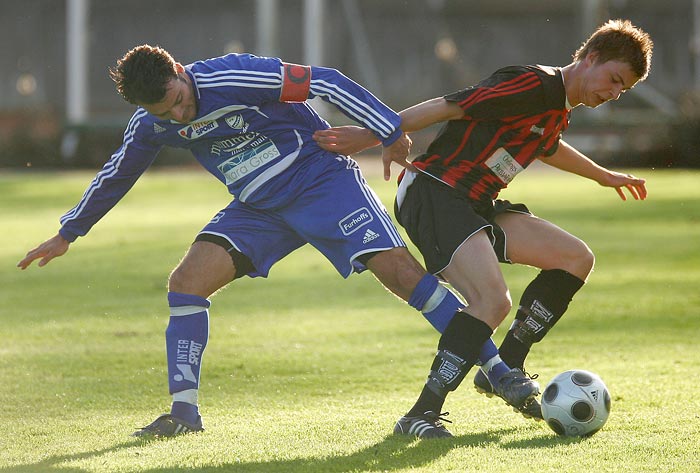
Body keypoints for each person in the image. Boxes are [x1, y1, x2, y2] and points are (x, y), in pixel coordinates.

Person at [18, 45, 537, 439]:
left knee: (403, 277)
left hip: (320, 180)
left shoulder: (233, 75)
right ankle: (183, 415)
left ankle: (497, 370)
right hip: (259, 208)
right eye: (164, 113)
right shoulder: (151, 122)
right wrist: (69, 232)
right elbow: (116, 174)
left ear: (180, 72)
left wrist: (387, 130)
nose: (177, 117)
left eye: (178, 102)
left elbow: (326, 81)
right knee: (186, 282)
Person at [314, 19, 653, 427]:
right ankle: (421, 414)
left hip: (474, 203)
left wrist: (604, 176)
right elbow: (450, 105)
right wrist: (375, 135)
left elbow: (548, 146)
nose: (614, 93)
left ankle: (506, 365)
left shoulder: (558, 109)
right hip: (435, 191)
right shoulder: (531, 84)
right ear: (591, 58)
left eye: (624, 89)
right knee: (493, 302)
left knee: (575, 258)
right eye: (614, 79)